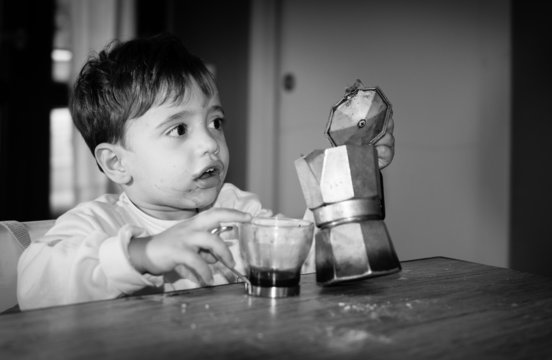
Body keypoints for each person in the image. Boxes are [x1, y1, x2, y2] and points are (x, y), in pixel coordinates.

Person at [17, 34, 395, 310]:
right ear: (117, 163)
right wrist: (142, 254)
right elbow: (34, 285)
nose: (210, 143)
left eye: (215, 121)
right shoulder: (98, 223)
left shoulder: (237, 211)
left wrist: (348, 179)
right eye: (179, 129)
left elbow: (315, 264)